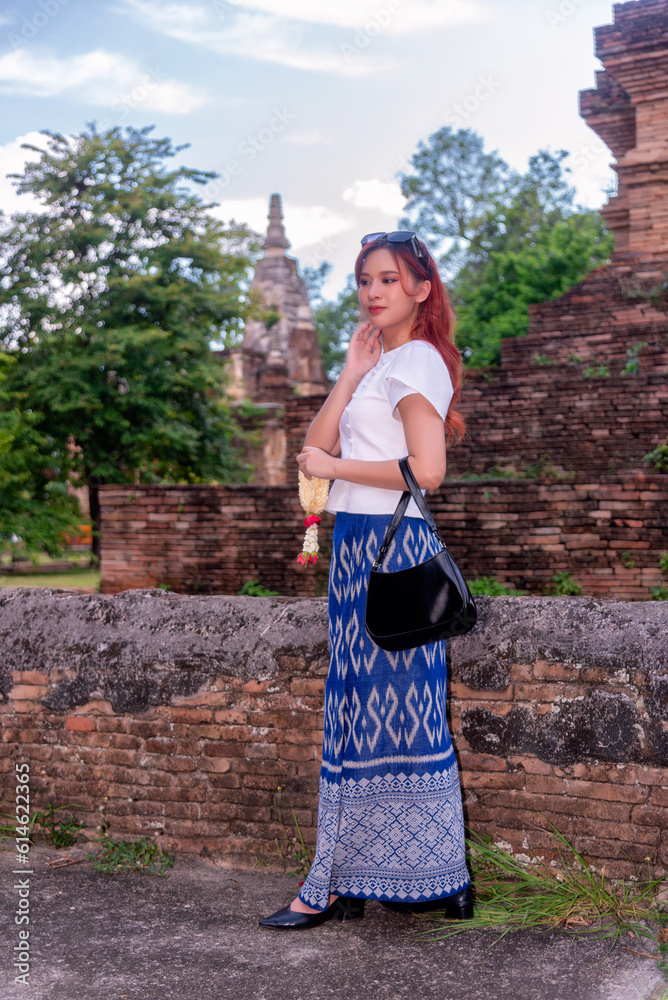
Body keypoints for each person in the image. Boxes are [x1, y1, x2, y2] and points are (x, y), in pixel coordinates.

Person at [259, 231, 472, 930]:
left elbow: (428, 470)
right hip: (356, 545)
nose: (374, 291)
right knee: (358, 711)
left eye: (389, 278)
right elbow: (314, 447)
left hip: (393, 546)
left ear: (421, 288)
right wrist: (350, 374)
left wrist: (336, 467)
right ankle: (364, 877)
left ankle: (393, 878)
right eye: (363, 280)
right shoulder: (382, 364)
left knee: (399, 713)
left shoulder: (419, 361)